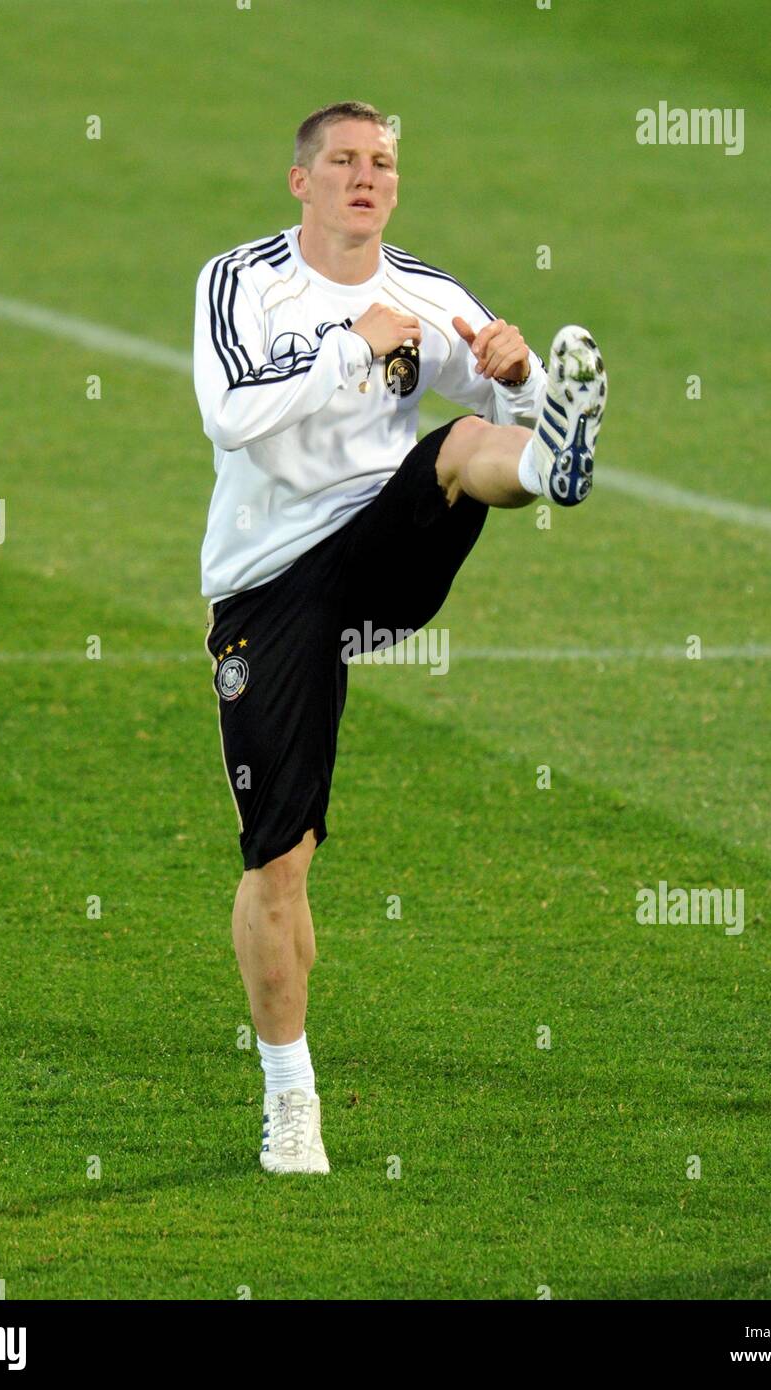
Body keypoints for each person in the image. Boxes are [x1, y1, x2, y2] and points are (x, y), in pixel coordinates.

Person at [193, 100, 607, 1173]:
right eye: (342, 161)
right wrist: (350, 349)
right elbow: (230, 413)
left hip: (376, 551)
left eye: (380, 162)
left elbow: (494, 389)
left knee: (471, 440)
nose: (364, 177)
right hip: (268, 585)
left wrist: (521, 377)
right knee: (278, 858)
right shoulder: (238, 281)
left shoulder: (423, 291)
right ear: (302, 182)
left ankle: (553, 470)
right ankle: (291, 1099)